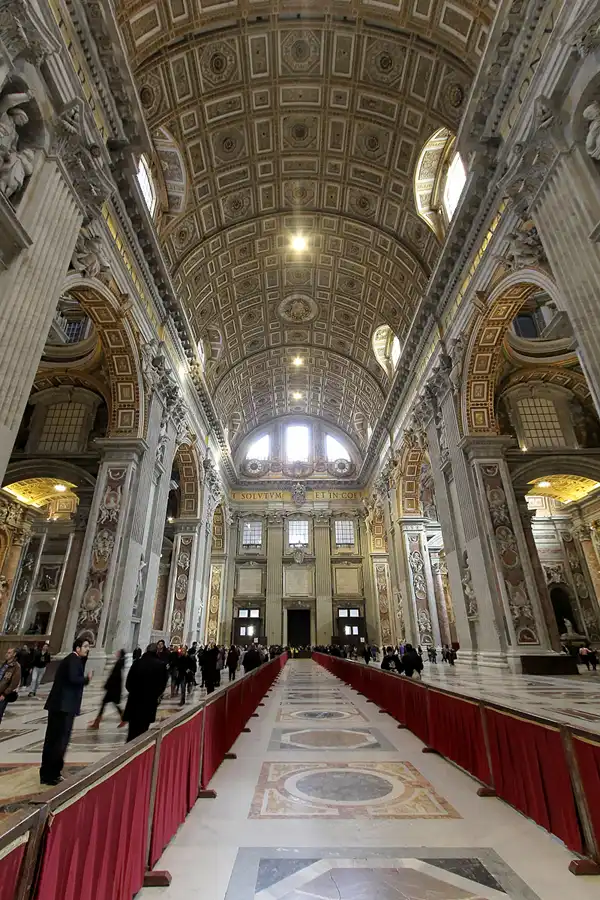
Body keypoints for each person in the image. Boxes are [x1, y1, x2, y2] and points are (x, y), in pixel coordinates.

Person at [40, 638, 92, 785]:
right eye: (86, 647)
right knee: (59, 741)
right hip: (64, 707)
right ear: (77, 648)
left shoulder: (72, 660)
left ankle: (47, 773)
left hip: (59, 705)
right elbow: (74, 679)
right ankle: (53, 774)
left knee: (52, 740)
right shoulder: (73, 660)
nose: (88, 649)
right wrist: (86, 679)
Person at [122, 643, 168, 742]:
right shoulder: (161, 665)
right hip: (149, 704)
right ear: (156, 651)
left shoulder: (137, 663)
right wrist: (153, 695)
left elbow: (128, 684)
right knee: (143, 732)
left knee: (131, 733)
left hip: (133, 703)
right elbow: (161, 687)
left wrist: (135, 693)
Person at [89, 649, 126, 729]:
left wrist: (107, 685)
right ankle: (123, 717)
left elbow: (114, 677)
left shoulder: (118, 664)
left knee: (105, 704)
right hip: (114, 689)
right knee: (111, 704)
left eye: (118, 652)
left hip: (112, 689)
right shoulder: (120, 663)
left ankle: (97, 722)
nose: (117, 653)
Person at [0, 647, 21, 725]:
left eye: (9, 653)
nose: (7, 654)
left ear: (14, 654)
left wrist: (5, 694)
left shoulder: (16, 667)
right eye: (7, 652)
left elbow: (14, 683)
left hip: (2, 694)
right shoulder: (4, 664)